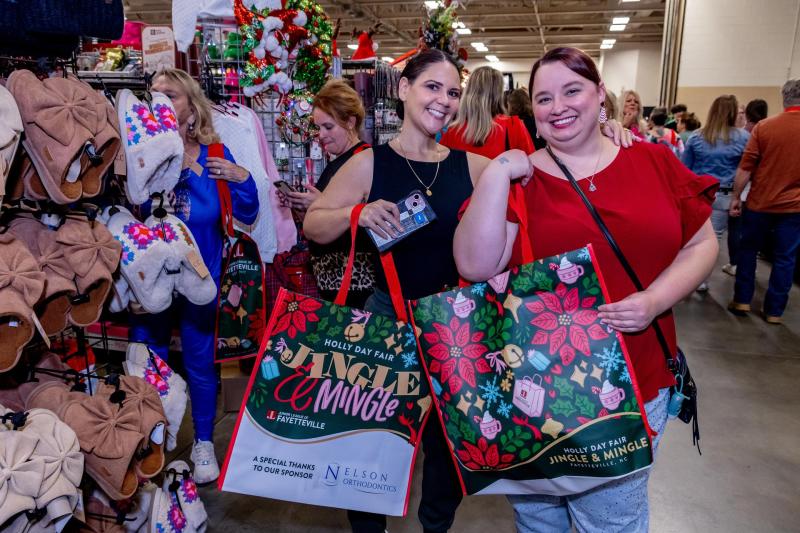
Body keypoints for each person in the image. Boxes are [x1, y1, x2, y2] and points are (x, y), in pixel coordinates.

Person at [453, 47, 718, 532]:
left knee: (612, 520)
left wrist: (654, 301)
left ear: (601, 96)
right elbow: (474, 264)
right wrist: (496, 172)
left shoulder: (653, 161)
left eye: (572, 90)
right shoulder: (521, 178)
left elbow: (701, 244)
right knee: (537, 519)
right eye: (544, 98)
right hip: (536, 386)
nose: (559, 107)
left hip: (637, 376)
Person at [130, 68, 259, 483]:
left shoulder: (214, 151)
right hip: (150, 277)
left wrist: (244, 179)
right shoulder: (139, 151)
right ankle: (150, 440)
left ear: (191, 108)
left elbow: (248, 212)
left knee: (201, 364)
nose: (161, 101)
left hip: (201, 277)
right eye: (155, 95)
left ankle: (203, 442)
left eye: (171, 95)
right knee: (148, 362)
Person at [282, 79, 375, 307]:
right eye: (318, 127)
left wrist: (321, 204)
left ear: (350, 122)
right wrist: (307, 210)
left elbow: (369, 222)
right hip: (335, 279)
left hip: (353, 283)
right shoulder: (340, 162)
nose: (321, 135)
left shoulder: (363, 161)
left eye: (328, 127)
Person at [728, 80, 800, 324]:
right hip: (794, 208)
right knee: (785, 258)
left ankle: (742, 300)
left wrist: (736, 197)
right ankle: (774, 311)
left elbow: (746, 167)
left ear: (784, 98)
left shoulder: (765, 128)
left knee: (748, 250)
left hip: (760, 203)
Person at [681, 94, 750, 291]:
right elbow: (746, 169)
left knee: (691, 236)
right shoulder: (744, 138)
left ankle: (685, 275)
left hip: (699, 193)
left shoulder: (697, 136)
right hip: (725, 194)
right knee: (713, 239)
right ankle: (701, 280)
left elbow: (685, 169)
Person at [440, 66, 535, 158]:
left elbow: (439, 170)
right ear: (498, 94)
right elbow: (532, 167)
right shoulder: (513, 126)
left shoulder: (452, 132)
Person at [723, 98, 769, 276]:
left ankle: (736, 263)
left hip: (741, 186)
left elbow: (745, 166)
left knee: (733, 229)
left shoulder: (747, 134)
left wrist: (736, 194)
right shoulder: (763, 130)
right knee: (744, 230)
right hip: (756, 189)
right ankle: (739, 264)